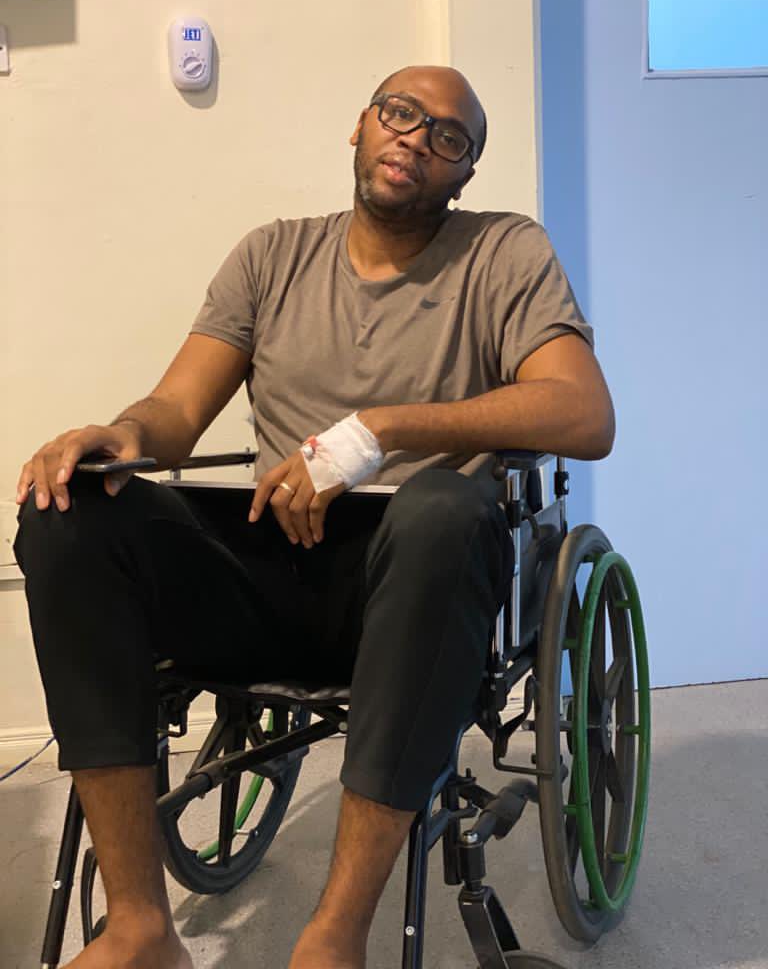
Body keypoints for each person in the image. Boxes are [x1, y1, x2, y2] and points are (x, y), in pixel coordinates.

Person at [14, 65, 614, 969]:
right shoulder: (273, 255)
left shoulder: (505, 252)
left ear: (465, 173)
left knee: (445, 505)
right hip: (264, 574)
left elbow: (584, 413)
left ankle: (335, 935)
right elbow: (175, 413)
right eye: (400, 113)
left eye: (448, 135)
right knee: (67, 511)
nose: (416, 137)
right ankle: (138, 925)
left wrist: (380, 431)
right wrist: (121, 435)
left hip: (414, 590)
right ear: (361, 125)